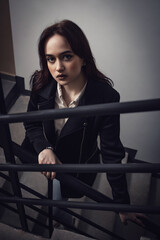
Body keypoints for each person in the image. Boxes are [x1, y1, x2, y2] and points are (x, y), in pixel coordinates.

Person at [22, 19, 146, 226]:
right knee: (53, 189)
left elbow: (112, 153)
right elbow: (31, 123)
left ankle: (60, 212)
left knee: (64, 193)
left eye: (67, 57)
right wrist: (44, 148)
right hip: (44, 155)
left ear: (84, 58)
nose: (58, 67)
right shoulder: (41, 82)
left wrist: (122, 204)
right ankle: (58, 214)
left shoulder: (106, 97)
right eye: (50, 59)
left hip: (76, 164)